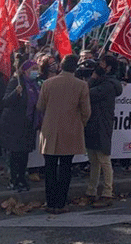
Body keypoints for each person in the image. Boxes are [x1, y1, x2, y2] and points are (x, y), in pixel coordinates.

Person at [37, 54, 91, 214]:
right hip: (71, 130)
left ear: (61, 66)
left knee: (50, 168)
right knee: (66, 168)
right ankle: (61, 203)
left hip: (50, 130)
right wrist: (80, 123)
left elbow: (40, 106)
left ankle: (50, 202)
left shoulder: (47, 83)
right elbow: (86, 111)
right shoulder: (81, 85)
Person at [84, 55, 123, 207]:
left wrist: (92, 78)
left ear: (108, 68)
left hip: (101, 124)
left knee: (104, 160)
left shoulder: (108, 85)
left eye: (102, 64)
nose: (98, 65)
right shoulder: (106, 82)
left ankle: (107, 192)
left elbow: (88, 93)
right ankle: (91, 190)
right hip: (94, 123)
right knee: (94, 160)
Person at [0, 58, 40, 193]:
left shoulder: (34, 85)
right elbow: (5, 101)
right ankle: (14, 179)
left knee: (24, 154)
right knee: (15, 154)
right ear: (25, 71)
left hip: (28, 124)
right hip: (15, 124)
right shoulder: (16, 82)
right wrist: (16, 93)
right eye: (33, 69)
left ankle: (22, 178)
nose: (35, 72)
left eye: (37, 69)